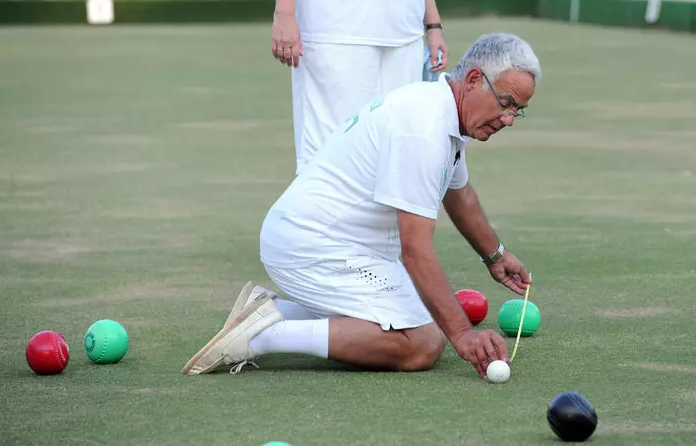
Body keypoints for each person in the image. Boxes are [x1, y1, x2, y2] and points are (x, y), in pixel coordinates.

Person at [182, 33, 541, 378]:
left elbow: (459, 193)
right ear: (475, 79)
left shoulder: (439, 109)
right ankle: (261, 338)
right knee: (422, 343)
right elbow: (415, 251)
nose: (508, 119)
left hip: (335, 243)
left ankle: (270, 313)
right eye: (506, 103)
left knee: (429, 315)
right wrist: (463, 334)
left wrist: (495, 255)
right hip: (313, 245)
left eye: (518, 111)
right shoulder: (423, 127)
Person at [271, 0, 449, 175]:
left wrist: (433, 24)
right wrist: (284, 13)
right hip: (335, 30)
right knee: (333, 155)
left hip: (406, 29)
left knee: (399, 153)